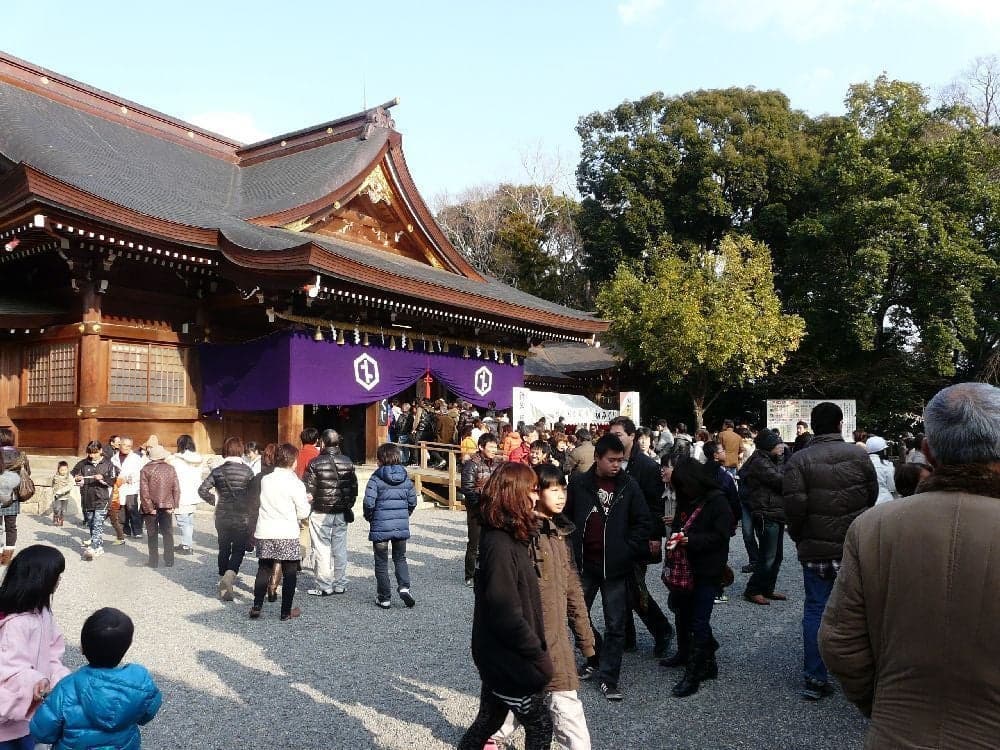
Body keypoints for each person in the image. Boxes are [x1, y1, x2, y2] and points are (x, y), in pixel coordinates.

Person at [820, 383, 1000, 747]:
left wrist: (885, 704)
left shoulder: (874, 526)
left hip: (895, 732)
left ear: (928, 451)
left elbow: (840, 642)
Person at [493, 463, 596, 750]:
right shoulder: (518, 535)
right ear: (534, 492)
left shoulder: (560, 533)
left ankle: (493, 735)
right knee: (558, 704)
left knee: (544, 700)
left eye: (563, 488)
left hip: (554, 638)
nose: (561, 494)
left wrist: (586, 639)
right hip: (530, 640)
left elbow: (573, 588)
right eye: (553, 488)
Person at [783, 402, 878, 701]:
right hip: (854, 546)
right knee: (862, 611)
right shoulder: (859, 456)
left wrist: (801, 538)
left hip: (816, 548)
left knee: (816, 608)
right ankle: (864, 676)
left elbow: (794, 510)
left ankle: (815, 676)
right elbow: (871, 496)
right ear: (840, 424)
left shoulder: (799, 460)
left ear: (812, 426)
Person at [456, 463, 554, 750]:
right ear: (513, 495)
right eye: (532, 491)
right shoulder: (498, 544)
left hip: (497, 654)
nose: (536, 497)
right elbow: (504, 612)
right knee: (539, 724)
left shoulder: (509, 534)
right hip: (509, 658)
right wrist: (537, 654)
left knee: (490, 718)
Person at [565, 434, 651, 702]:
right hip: (584, 564)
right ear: (597, 458)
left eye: (620, 460)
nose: (617, 465)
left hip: (616, 566)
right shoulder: (578, 484)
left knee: (616, 624)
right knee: (576, 615)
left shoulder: (629, 485)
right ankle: (595, 656)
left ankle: (609, 677)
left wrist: (628, 548)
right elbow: (565, 516)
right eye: (611, 460)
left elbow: (643, 521)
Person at [30, 607, 161, 750]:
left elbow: (42, 732)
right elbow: (147, 715)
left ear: (82, 648)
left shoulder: (66, 688)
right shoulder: (140, 685)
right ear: (127, 647)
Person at [662, 458, 732, 698]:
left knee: (699, 620)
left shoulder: (717, 501)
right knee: (683, 612)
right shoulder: (687, 499)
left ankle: (694, 673)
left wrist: (692, 541)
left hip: (707, 568)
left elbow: (722, 536)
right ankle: (704, 658)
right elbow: (678, 527)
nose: (682, 491)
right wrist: (673, 542)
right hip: (685, 567)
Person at [608, 417, 672, 657]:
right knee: (620, 587)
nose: (614, 439)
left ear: (632, 436)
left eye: (619, 435)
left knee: (634, 588)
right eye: (611, 434)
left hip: (638, 537)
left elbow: (656, 506)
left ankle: (662, 629)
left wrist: (655, 536)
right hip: (616, 537)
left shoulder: (646, 466)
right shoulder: (609, 461)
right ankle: (627, 636)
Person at [0, 545, 70, 748]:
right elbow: (7, 669)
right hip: (7, 717)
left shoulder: (43, 612)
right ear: (41, 579)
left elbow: (53, 653)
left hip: (31, 713)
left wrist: (61, 680)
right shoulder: (15, 623)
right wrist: (36, 680)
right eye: (56, 575)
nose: (59, 581)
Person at [250, 443, 310, 620]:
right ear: (293, 461)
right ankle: (285, 611)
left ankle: (257, 605)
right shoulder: (295, 483)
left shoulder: (266, 480)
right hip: (286, 531)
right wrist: (306, 501)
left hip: (266, 530)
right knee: (290, 571)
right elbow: (303, 512)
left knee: (264, 568)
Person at [198, 437, 256, 601]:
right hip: (241, 516)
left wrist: (214, 500)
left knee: (223, 548)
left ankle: (222, 576)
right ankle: (229, 577)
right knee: (238, 549)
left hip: (222, 515)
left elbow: (202, 490)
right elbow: (253, 495)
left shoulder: (218, 471)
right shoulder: (248, 471)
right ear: (240, 450)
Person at [303, 429, 358, 597]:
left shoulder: (315, 463)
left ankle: (325, 584)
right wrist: (347, 504)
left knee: (321, 547)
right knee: (340, 547)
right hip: (341, 510)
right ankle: (340, 583)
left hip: (321, 510)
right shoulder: (347, 461)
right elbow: (354, 488)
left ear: (322, 442)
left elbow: (308, 490)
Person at [363, 443, 418, 609]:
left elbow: (368, 503)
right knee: (400, 558)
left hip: (380, 525)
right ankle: (404, 587)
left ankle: (384, 597)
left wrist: (371, 518)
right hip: (400, 525)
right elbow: (412, 501)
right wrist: (404, 515)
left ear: (380, 459)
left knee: (381, 562)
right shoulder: (405, 478)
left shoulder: (375, 478)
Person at [739, 429, 787, 605]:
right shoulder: (760, 462)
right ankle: (753, 590)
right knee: (768, 556)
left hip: (776, 511)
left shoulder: (769, 459)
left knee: (777, 555)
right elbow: (781, 481)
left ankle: (767, 588)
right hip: (766, 511)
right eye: (778, 443)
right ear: (768, 446)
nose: (782, 446)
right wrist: (782, 461)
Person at [460, 433, 499, 587]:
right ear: (481, 447)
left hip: (494, 508)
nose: (494, 450)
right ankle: (470, 575)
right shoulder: (472, 464)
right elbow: (467, 489)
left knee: (491, 542)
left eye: (495, 447)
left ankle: (488, 573)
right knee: (475, 543)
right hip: (477, 510)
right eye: (491, 447)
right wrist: (480, 505)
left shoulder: (497, 464)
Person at [71, 441, 118, 561]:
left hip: (103, 498)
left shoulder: (108, 464)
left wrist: (103, 478)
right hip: (88, 497)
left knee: (97, 523)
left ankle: (96, 547)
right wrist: (78, 479)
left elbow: (113, 482)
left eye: (95, 453)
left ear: (101, 451)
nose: (92, 456)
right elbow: (78, 481)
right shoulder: (84, 464)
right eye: (90, 453)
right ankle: (98, 544)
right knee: (91, 522)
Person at [138, 445, 179, 569]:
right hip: (167, 506)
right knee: (168, 533)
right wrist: (174, 505)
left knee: (152, 534)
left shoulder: (145, 469)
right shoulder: (171, 468)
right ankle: (169, 560)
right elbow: (176, 488)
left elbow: (144, 492)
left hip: (150, 507)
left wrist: (150, 508)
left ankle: (153, 561)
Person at [168, 434, 205, 555]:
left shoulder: (175, 460)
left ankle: (187, 546)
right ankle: (186, 543)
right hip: (194, 493)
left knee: (183, 521)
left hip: (181, 494)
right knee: (188, 520)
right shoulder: (198, 458)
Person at [0, 428, 30, 566]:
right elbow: (27, 472)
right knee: (11, 527)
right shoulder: (20, 455)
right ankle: (6, 558)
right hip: (13, 496)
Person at [111, 437, 145, 539]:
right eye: (124, 445)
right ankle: (125, 530)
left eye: (129, 446)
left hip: (132, 487)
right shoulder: (113, 458)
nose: (126, 447)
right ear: (120, 445)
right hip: (119, 487)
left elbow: (141, 472)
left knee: (132, 509)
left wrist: (131, 479)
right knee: (121, 510)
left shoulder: (136, 458)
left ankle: (137, 531)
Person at [865, 436, 897, 505]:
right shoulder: (887, 465)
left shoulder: (862, 463)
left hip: (867, 503)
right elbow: (892, 487)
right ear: (883, 450)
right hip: (885, 501)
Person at [50, 461, 73, 527]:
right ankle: (55, 516)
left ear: (67, 469)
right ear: (58, 470)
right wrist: (54, 491)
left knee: (64, 510)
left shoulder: (69, 476)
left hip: (65, 496)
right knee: (57, 508)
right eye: (62, 470)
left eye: (65, 470)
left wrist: (61, 490)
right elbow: (53, 484)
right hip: (57, 496)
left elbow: (70, 485)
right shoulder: (55, 476)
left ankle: (61, 519)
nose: (64, 471)